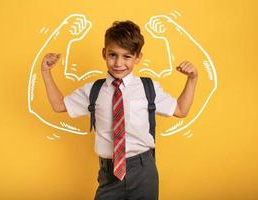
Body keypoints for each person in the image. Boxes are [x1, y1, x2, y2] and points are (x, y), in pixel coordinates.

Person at [41, 20, 198, 200]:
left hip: (142, 170)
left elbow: (180, 109)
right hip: (109, 173)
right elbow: (59, 105)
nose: (118, 63)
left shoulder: (149, 88)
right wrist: (46, 72)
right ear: (104, 53)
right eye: (113, 55)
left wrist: (192, 79)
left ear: (138, 57)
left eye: (127, 57)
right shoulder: (94, 90)